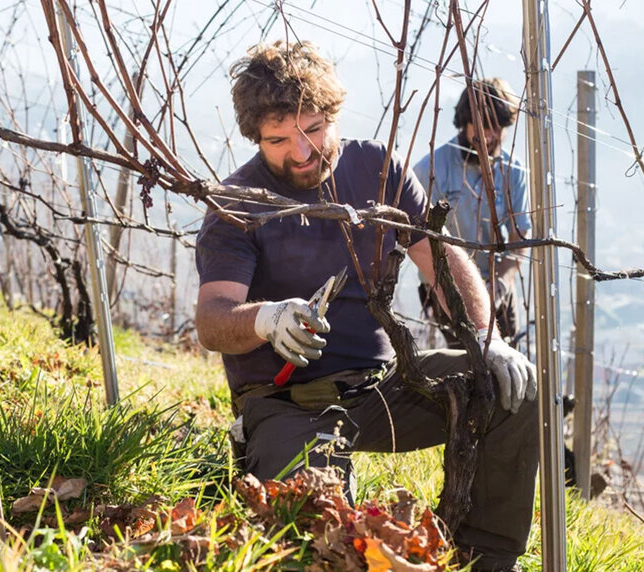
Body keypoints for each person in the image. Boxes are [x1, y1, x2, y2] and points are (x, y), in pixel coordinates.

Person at [195, 41, 538, 571]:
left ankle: (487, 558)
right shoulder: (238, 202)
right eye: (279, 140)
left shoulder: (376, 168)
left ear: (334, 113)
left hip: (385, 390)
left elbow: (439, 259)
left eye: (312, 130)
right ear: (256, 138)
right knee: (319, 543)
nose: (302, 152)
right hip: (285, 403)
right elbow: (213, 318)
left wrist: (486, 337)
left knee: (510, 385)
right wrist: (267, 318)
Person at [412, 78, 531, 346]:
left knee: (508, 367)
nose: (488, 137)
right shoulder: (431, 170)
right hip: (445, 287)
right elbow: (420, 241)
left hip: (498, 287)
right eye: (480, 129)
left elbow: (520, 234)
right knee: (464, 365)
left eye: (496, 129)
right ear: (464, 124)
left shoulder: (514, 172)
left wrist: (500, 281)